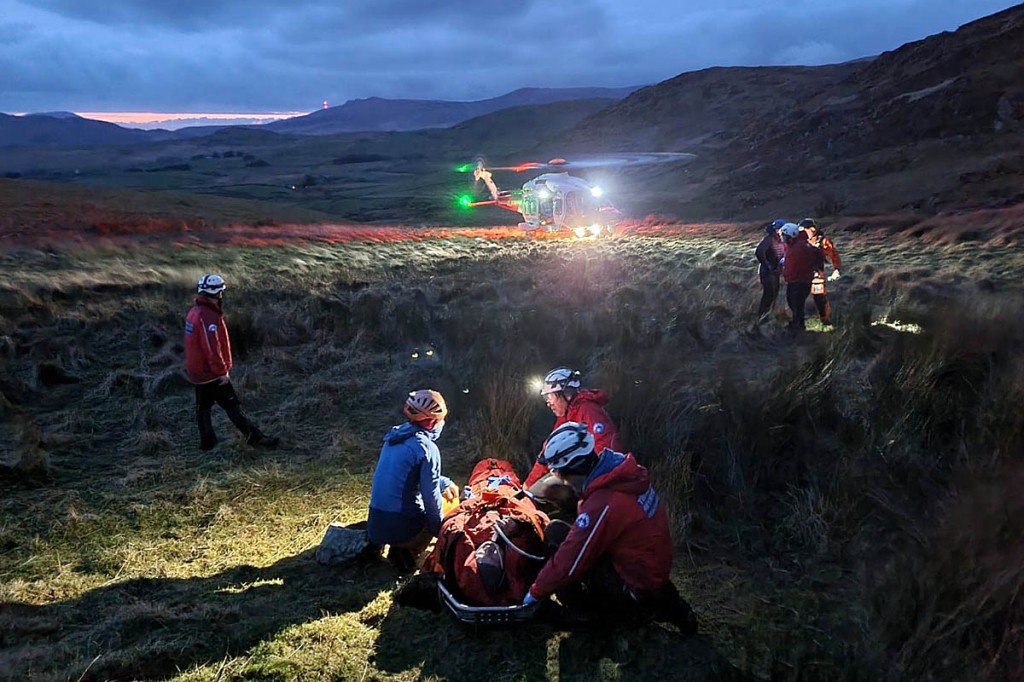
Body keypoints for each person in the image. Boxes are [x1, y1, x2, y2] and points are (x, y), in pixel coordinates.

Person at [521, 422, 697, 633]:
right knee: (565, 531)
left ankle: (586, 615)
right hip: (650, 571)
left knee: (556, 533)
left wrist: (535, 592)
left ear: (574, 467)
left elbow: (571, 558)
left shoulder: (604, 503)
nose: (564, 481)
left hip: (634, 585)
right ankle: (670, 607)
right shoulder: (619, 471)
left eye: (562, 475)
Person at [184, 274, 279, 450]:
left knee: (203, 407)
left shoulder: (194, 312)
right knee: (232, 406)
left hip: (197, 372)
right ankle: (256, 439)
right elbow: (212, 348)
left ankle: (208, 443)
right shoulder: (208, 317)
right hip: (211, 373)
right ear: (216, 292)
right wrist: (221, 372)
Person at [367, 389, 458, 572]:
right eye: (441, 420)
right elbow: (430, 497)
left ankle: (381, 545)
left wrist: (444, 482)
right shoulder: (427, 448)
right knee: (447, 505)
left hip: (375, 523)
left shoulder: (394, 436)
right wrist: (440, 531)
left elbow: (409, 476)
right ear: (432, 422)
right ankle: (406, 551)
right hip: (401, 527)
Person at [523, 367, 621, 489]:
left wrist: (589, 484)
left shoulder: (589, 411)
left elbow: (606, 447)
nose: (548, 403)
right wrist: (528, 484)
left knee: (548, 489)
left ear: (566, 394)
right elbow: (548, 451)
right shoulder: (566, 415)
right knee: (539, 488)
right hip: (578, 472)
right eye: (546, 399)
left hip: (599, 480)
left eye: (551, 397)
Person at [779, 223, 825, 331]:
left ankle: (797, 327)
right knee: (794, 303)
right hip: (795, 280)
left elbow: (818, 253)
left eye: (784, 236)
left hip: (800, 281)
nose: (783, 238)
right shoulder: (795, 245)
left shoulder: (802, 246)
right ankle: (799, 324)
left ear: (791, 235)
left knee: (796, 304)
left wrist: (817, 267)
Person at [799, 218, 842, 325]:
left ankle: (825, 319)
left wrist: (836, 269)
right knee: (798, 298)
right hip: (800, 274)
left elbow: (834, 255)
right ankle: (799, 320)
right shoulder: (800, 241)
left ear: (812, 229)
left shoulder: (822, 241)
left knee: (819, 298)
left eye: (803, 230)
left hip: (816, 276)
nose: (801, 233)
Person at [754, 219, 787, 323]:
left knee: (774, 293)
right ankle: (763, 317)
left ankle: (769, 316)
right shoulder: (769, 239)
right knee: (769, 294)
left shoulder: (778, 239)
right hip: (768, 273)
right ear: (777, 229)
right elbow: (759, 251)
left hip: (775, 272)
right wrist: (768, 265)